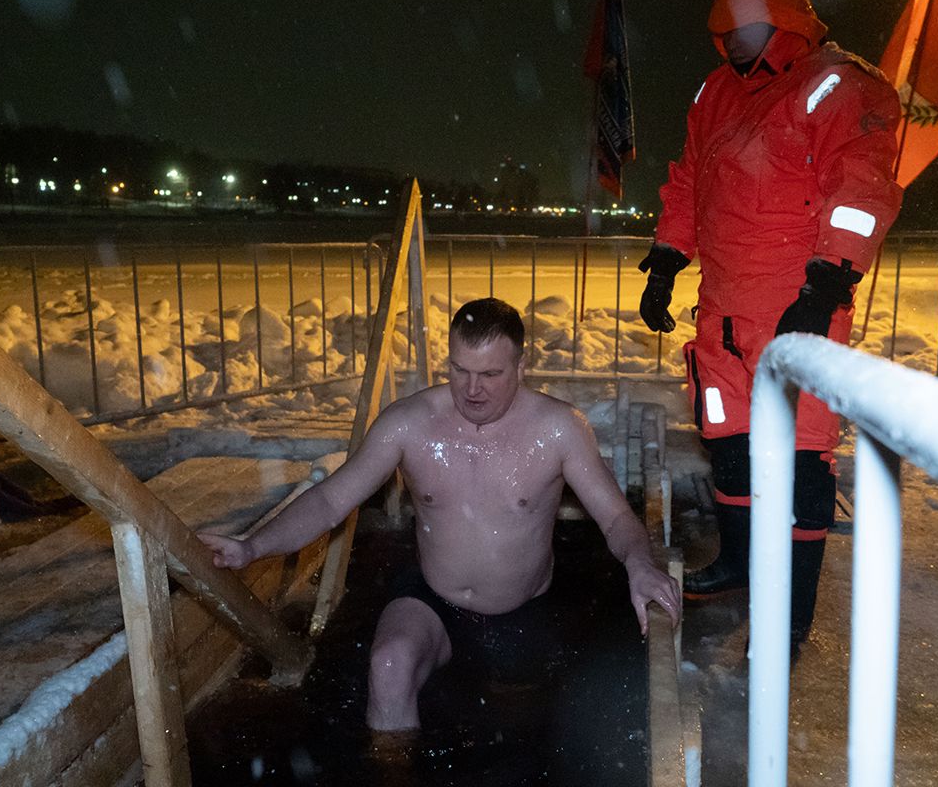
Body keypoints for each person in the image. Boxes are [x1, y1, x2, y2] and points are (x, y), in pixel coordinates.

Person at [199, 297, 680, 731]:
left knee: (521, 724)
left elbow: (615, 518)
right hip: (432, 597)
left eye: (490, 374)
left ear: (522, 366)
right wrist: (252, 546)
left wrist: (639, 565)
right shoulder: (409, 423)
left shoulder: (558, 430)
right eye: (459, 370)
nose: (472, 389)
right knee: (388, 666)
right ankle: (393, 771)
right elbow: (330, 501)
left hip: (523, 611)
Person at [636, 0, 902, 649]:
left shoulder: (837, 83)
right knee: (729, 444)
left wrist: (828, 284)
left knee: (802, 458)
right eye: (725, 34)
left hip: (796, 310)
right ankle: (739, 564)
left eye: (745, 31)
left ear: (782, 23)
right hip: (722, 312)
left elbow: (862, 187)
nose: (732, 45)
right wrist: (668, 257)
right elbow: (690, 180)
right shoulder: (716, 92)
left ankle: (790, 611)